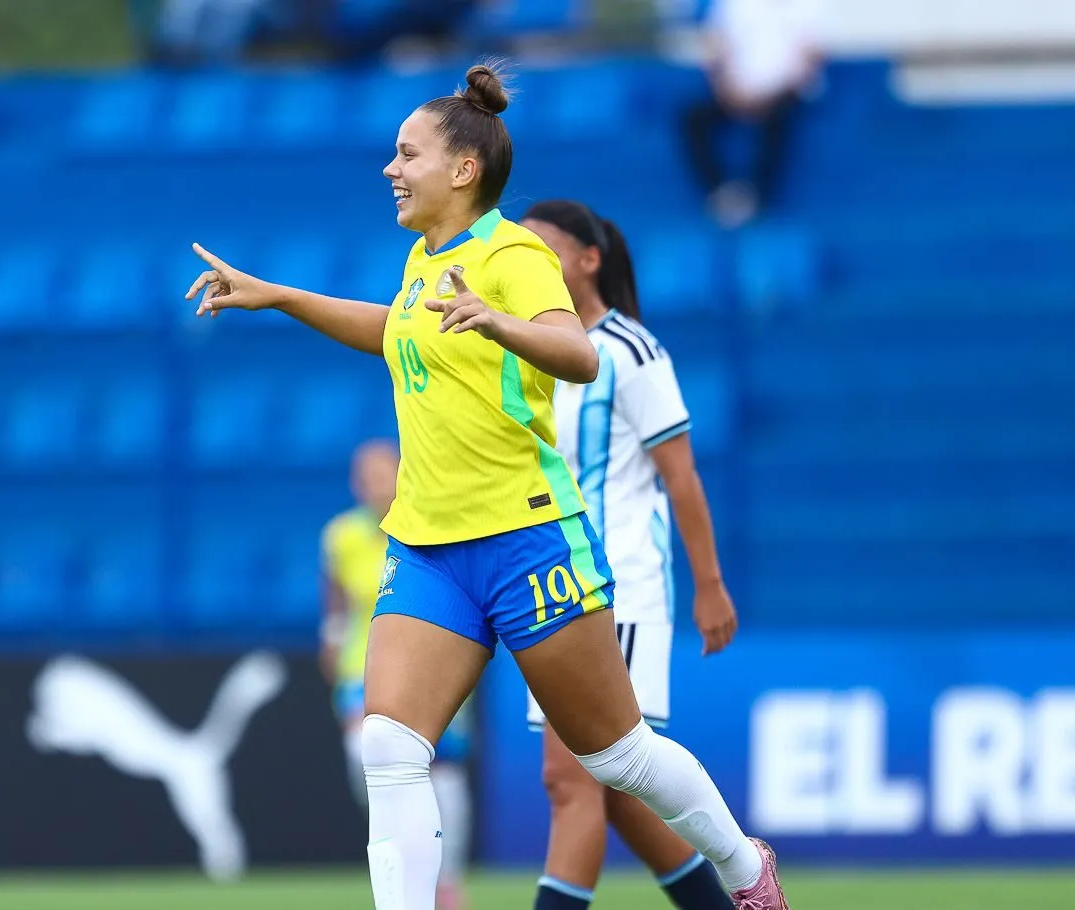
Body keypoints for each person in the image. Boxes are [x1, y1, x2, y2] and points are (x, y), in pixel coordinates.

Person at [184, 61, 789, 910]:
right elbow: (393, 330)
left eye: (407, 154)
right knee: (390, 746)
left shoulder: (512, 254)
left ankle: (740, 867)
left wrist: (499, 320)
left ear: (463, 169)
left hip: (527, 536)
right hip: (429, 545)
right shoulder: (421, 261)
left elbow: (578, 353)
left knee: (617, 757)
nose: (390, 169)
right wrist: (280, 295)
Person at [516, 200, 742, 910]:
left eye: (541, 248)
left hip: (616, 586)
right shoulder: (530, 347)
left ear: (589, 260)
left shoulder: (629, 352)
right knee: (616, 792)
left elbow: (681, 476)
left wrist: (709, 584)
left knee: (571, 780)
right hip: (554, 585)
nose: (526, 262)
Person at [321, 439, 472, 910]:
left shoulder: (429, 524)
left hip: (428, 665)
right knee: (366, 759)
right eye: (364, 477)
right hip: (361, 670)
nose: (373, 486)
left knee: (444, 775)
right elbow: (337, 603)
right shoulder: (341, 536)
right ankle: (401, 861)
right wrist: (330, 638)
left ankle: (446, 880)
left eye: (381, 474)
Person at [680, 0, 822, 229]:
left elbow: (809, 61)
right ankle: (721, 193)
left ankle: (757, 197)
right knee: (692, 119)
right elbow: (717, 49)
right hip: (735, 94)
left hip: (786, 95)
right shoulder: (736, 5)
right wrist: (729, 93)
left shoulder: (809, 6)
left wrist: (767, 98)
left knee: (779, 123)